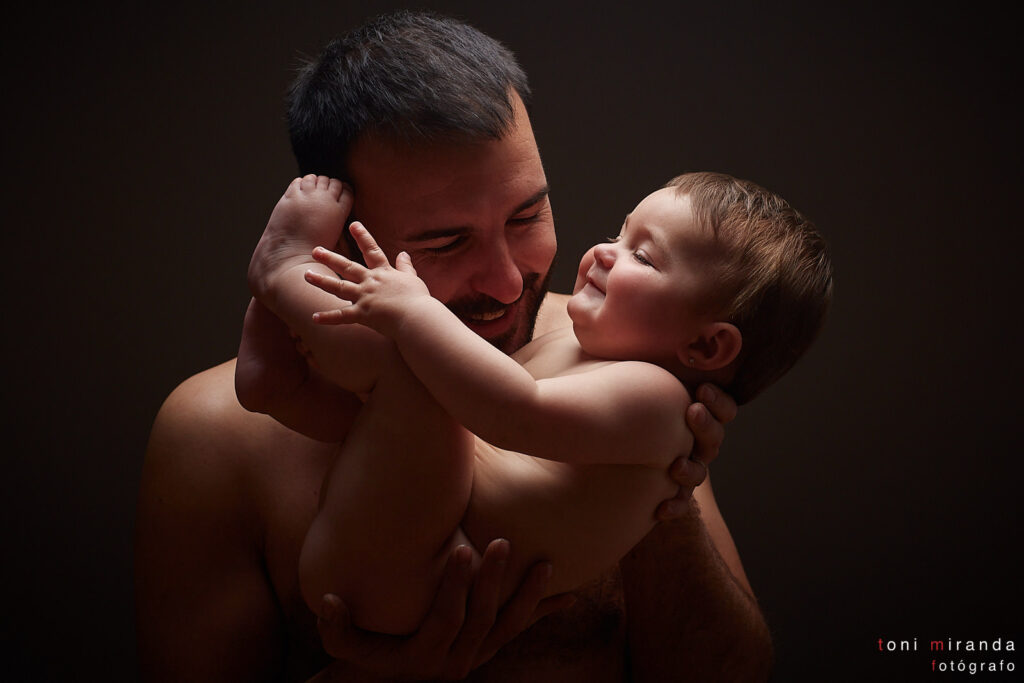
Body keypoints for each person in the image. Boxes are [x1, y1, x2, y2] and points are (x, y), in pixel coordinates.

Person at [136, 10, 773, 681]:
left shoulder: (613, 358)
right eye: (446, 243)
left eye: (528, 215)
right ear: (342, 241)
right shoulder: (212, 436)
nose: (505, 282)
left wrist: (667, 498)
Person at [249, 170, 831, 636]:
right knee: (396, 392)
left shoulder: (656, 401)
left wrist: (415, 311)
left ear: (706, 345)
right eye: (618, 233)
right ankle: (282, 385)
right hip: (404, 543)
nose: (603, 252)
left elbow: (513, 410)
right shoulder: (584, 347)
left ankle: (288, 270)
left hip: (422, 574)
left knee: (407, 365)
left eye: (644, 257)